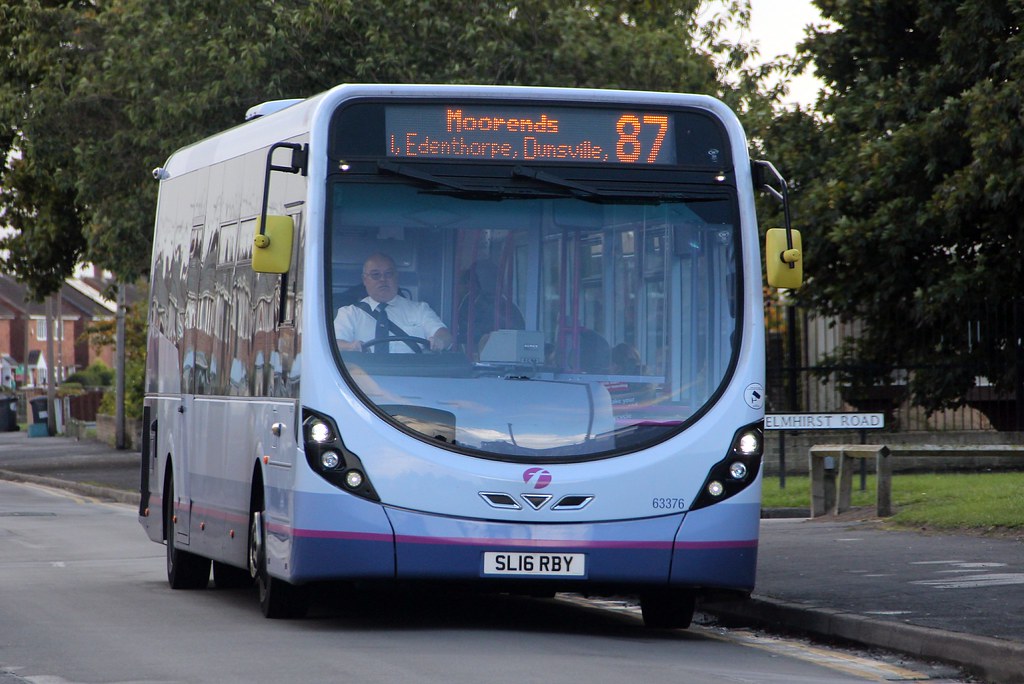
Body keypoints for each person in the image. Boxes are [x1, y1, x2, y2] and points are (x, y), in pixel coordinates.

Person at [334, 253, 453, 353]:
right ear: (365, 280)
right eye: (376, 275)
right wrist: (350, 347)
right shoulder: (349, 313)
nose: (382, 279)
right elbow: (334, 344)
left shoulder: (420, 310)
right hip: (362, 378)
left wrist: (440, 341)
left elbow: (444, 335)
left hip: (413, 377)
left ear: (396, 277)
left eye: (388, 274)